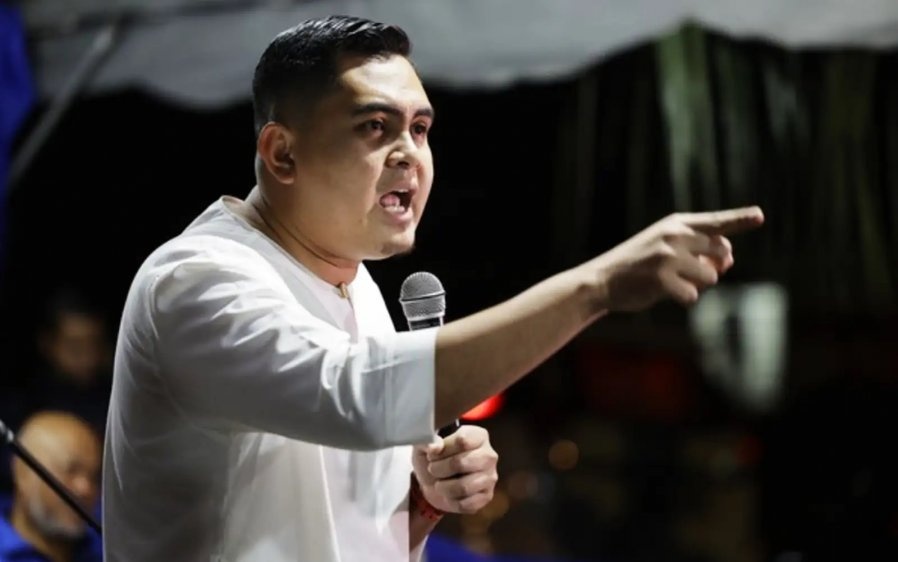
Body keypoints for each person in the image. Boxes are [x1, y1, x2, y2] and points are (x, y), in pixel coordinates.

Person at [103, 14, 764, 562]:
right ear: (282, 153)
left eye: (419, 129)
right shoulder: (197, 281)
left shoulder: (357, 286)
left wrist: (420, 501)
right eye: (374, 127)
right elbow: (358, 393)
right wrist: (598, 286)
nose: (409, 155)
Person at [1, 411, 102, 562]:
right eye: (71, 470)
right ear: (22, 472)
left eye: (94, 477)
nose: (85, 489)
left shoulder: (108, 548)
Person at [28, 290, 111, 434]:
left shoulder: (116, 399)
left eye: (95, 345)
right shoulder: (27, 403)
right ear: (47, 344)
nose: (88, 359)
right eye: (75, 349)